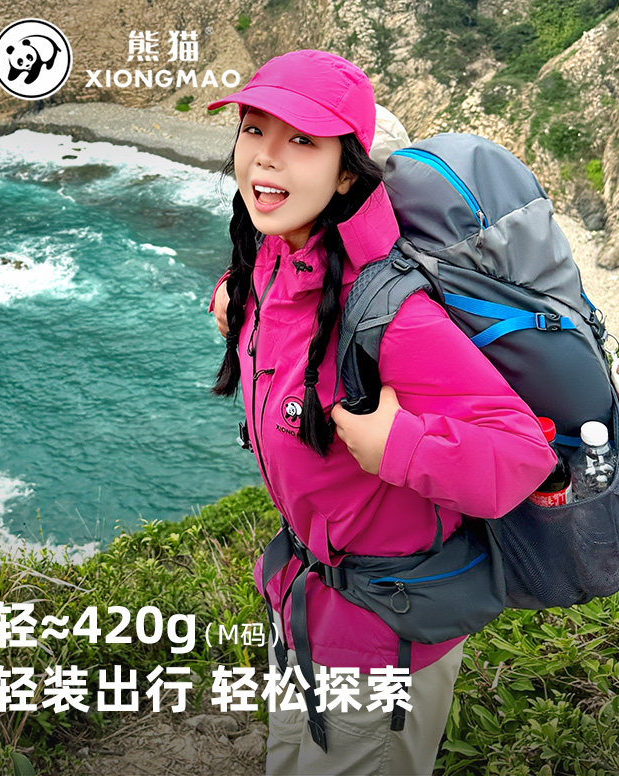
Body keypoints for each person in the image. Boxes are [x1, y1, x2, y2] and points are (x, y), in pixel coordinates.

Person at [206, 49, 556, 776]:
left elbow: (523, 454)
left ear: (346, 174)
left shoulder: (392, 314)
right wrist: (238, 308)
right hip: (306, 609)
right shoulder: (273, 267)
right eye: (254, 129)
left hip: (380, 639)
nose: (266, 157)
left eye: (302, 141)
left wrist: (400, 444)